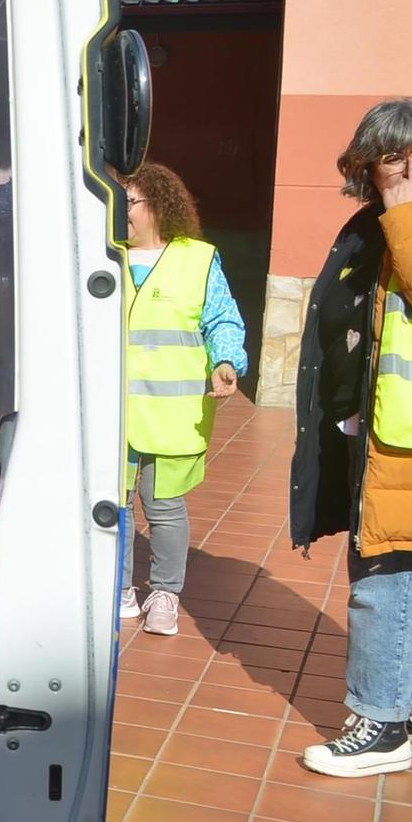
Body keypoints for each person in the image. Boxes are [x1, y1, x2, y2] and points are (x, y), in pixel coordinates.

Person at [291, 98, 412, 778]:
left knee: (382, 569)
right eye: (394, 156)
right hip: (402, 425)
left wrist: (406, 210)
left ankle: (378, 723)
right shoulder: (393, 221)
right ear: (367, 164)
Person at [118, 162, 247, 636]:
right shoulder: (104, 256)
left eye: (128, 203)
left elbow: (222, 320)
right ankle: (119, 591)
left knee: (163, 505)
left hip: (173, 413)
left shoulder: (198, 259)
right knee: (112, 505)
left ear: (157, 205)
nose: (121, 213)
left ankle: (165, 594)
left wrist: (227, 361)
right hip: (113, 412)